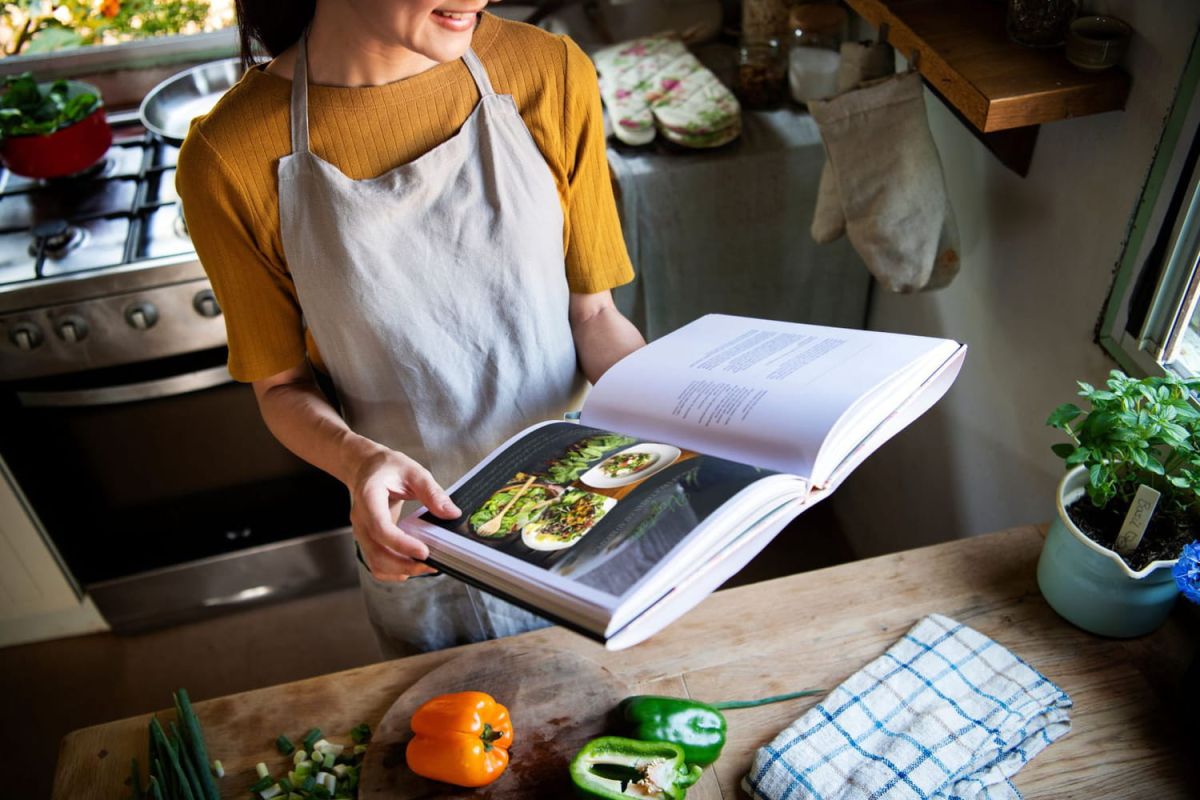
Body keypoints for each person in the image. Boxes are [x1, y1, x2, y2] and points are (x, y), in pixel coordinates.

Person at [175, 0, 645, 657]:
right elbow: (280, 386)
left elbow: (593, 314)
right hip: (427, 542)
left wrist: (685, 422)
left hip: (588, 498)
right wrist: (355, 458)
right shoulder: (229, 156)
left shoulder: (548, 69)